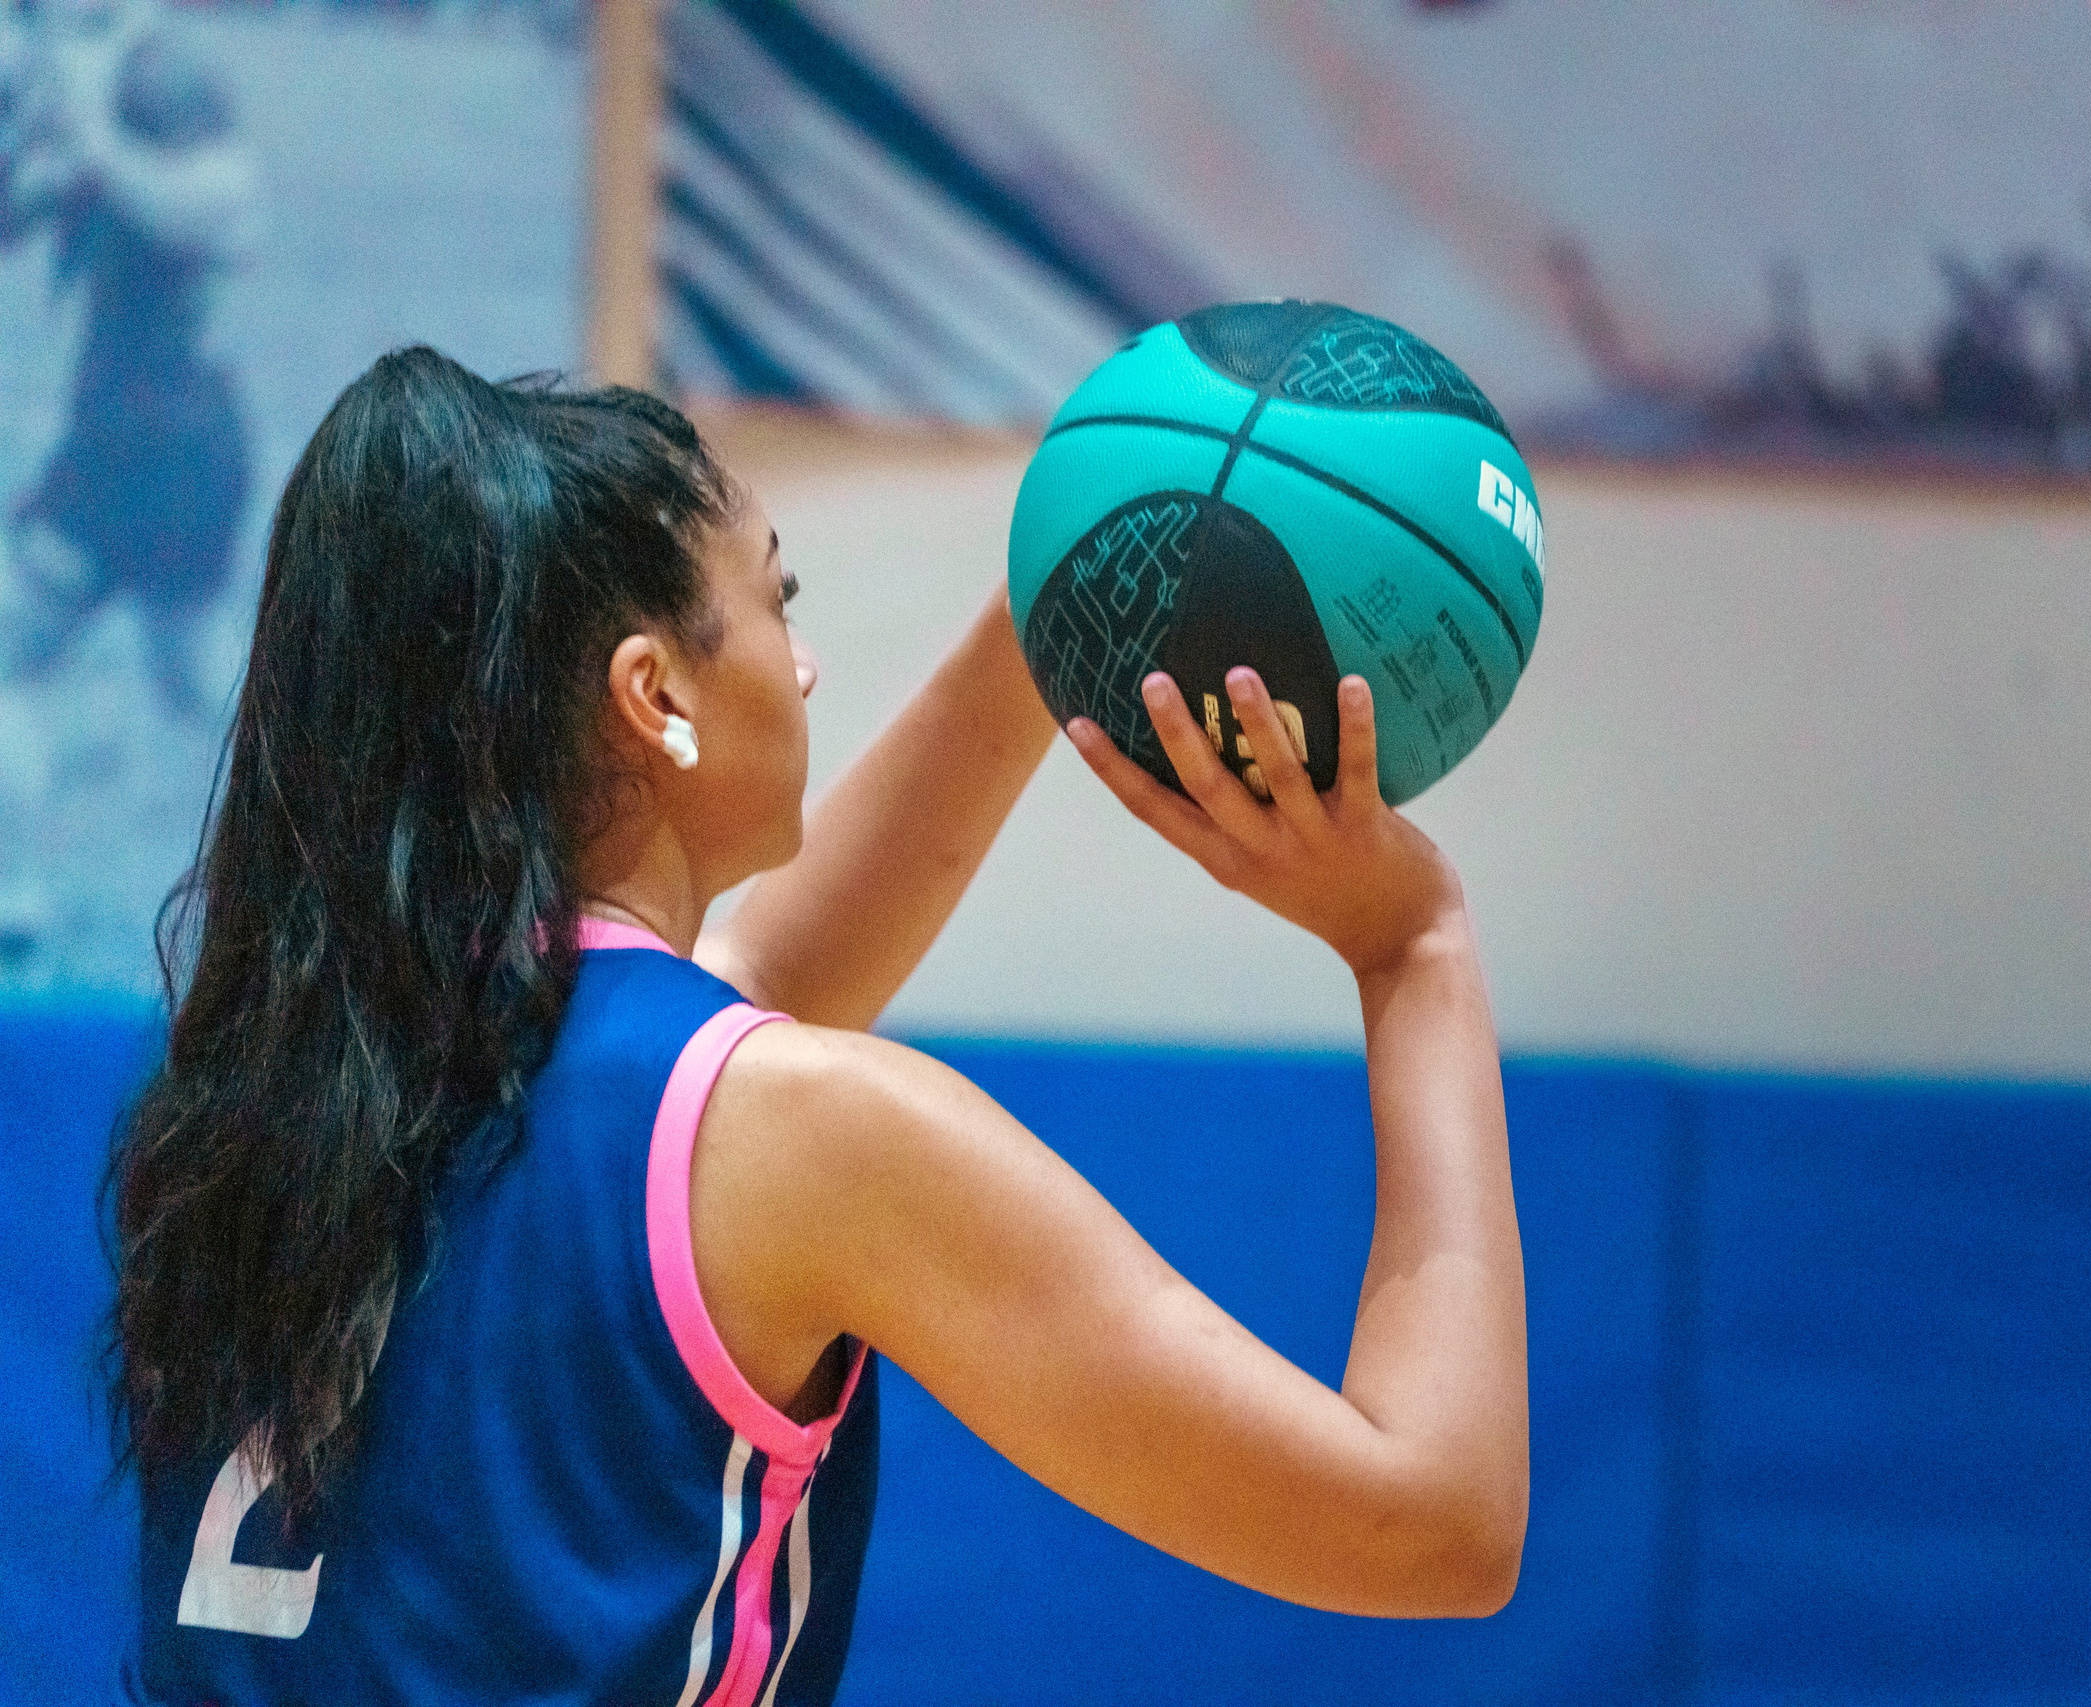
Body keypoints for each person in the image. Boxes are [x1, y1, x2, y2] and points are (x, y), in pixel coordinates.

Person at [106, 348, 1527, 1702]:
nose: (804, 669)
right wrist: (1415, 946)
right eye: (781, 601)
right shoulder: (797, 1132)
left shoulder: (295, 1086)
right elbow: (1432, 1519)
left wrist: (1072, 587)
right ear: (653, 694)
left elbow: (735, 1007)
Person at [0, 0, 257, 723]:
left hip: (154, 441)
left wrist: (96, 151)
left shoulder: (158, 75)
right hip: (165, 441)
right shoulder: (71, 82)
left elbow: (231, 209)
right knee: (195, 687)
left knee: (10, 645)